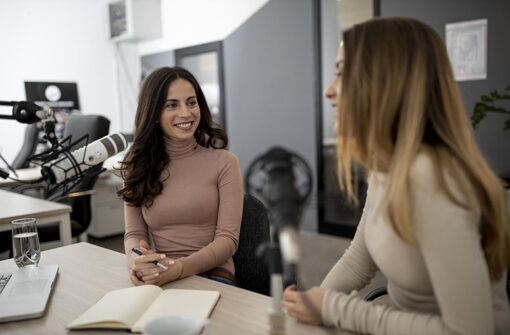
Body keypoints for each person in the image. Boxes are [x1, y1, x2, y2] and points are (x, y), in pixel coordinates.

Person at [282, 17, 510, 334]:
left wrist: (333, 307)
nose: (329, 90)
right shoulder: (388, 164)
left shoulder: (432, 179)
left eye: (342, 73)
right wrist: (314, 305)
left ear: (386, 83)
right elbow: (359, 258)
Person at [117, 66, 243, 287]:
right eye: (172, 105)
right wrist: (136, 260)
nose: (186, 113)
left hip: (213, 275)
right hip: (163, 273)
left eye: (191, 102)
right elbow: (135, 233)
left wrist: (179, 269)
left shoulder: (224, 162)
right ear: (154, 114)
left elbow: (228, 241)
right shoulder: (135, 166)